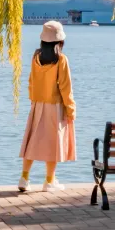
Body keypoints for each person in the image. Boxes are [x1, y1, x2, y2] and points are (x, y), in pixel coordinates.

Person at [18, 20, 76, 193]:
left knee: (32, 141)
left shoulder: (36, 57)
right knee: (53, 143)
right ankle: (49, 181)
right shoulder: (61, 60)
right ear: (60, 41)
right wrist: (71, 109)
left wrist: (34, 101)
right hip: (55, 106)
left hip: (37, 104)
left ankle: (24, 178)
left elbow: (31, 82)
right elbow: (66, 87)